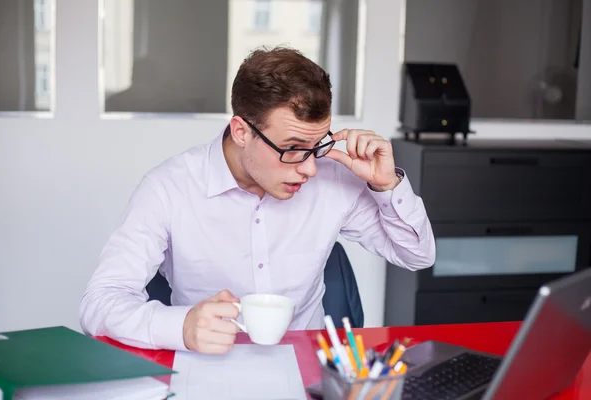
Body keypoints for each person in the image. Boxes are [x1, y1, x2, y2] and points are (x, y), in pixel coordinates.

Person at [79, 46, 435, 354]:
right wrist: (181, 326)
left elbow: (416, 256)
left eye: (317, 146)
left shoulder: (333, 179)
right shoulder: (168, 188)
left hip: (306, 373)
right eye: (293, 148)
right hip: (208, 370)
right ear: (241, 131)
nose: (311, 168)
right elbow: (101, 302)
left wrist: (387, 185)